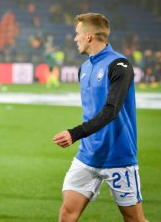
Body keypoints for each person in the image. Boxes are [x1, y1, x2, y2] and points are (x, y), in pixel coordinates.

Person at [53, 13, 148, 222]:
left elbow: (111, 111)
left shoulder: (119, 65)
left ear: (88, 36)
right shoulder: (84, 68)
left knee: (134, 220)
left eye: (77, 33)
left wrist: (74, 133)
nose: (74, 38)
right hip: (87, 156)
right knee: (67, 215)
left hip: (118, 157)